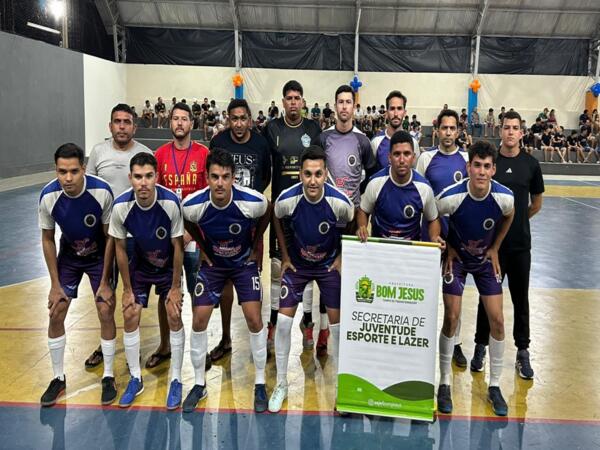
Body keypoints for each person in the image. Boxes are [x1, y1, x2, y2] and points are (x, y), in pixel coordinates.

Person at [180, 148, 271, 412]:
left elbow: (268, 211)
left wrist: (255, 245)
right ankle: (199, 383)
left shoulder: (251, 201)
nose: (220, 183)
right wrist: (204, 249)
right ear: (206, 177)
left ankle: (260, 382)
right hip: (214, 266)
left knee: (254, 318)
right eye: (215, 177)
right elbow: (187, 221)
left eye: (225, 177)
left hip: (243, 264)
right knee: (199, 319)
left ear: (234, 178)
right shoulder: (193, 205)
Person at [268, 146, 354, 413]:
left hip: (328, 266)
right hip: (298, 266)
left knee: (338, 328)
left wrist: (341, 256)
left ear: (326, 174)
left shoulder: (340, 202)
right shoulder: (287, 199)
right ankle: (281, 383)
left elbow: (352, 223)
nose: (313, 180)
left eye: (318, 174)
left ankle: (342, 388)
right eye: (307, 174)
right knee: (283, 324)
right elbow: (276, 216)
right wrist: (284, 255)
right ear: (300, 175)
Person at [436, 140, 515, 417]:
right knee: (451, 317)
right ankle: (444, 382)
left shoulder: (504, 197)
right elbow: (433, 218)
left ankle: (494, 385)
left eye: (487, 166)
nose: (481, 172)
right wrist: (447, 244)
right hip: (457, 261)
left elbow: (510, 216)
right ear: (468, 167)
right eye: (477, 166)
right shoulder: (450, 197)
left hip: (484, 262)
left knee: (498, 320)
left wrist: (495, 247)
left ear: (493, 170)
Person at [39, 143, 116, 407]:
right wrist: (54, 284)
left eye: (74, 171)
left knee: (105, 309)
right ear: (56, 170)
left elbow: (111, 238)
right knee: (56, 311)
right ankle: (58, 377)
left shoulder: (101, 191)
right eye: (62, 172)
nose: (68, 178)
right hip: (70, 257)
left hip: (99, 257)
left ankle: (108, 375)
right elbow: (47, 239)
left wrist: (105, 281)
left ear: (83, 169)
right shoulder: (48, 196)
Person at [109, 152, 185, 409]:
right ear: (130, 178)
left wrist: (175, 287)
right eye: (138, 177)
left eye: (149, 176)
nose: (143, 183)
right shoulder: (121, 206)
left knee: (174, 313)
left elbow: (178, 246)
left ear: (157, 177)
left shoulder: (170, 202)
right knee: (130, 312)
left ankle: (176, 379)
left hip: (167, 267)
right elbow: (120, 248)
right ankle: (135, 378)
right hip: (140, 267)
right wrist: (126, 289)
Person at [472, 110, 544, 381]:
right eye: (507, 127)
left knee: (520, 299)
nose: (511, 132)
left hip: (520, 246)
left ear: (521, 132)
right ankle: (481, 345)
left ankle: (522, 351)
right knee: (486, 297)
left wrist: (518, 219)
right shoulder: (493, 163)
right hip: (492, 246)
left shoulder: (531, 164)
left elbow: (536, 204)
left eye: (515, 128)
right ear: (500, 131)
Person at [85, 104, 153, 369]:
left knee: (132, 294)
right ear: (110, 126)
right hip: (105, 237)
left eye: (127, 122)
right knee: (105, 295)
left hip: (136, 237)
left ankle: (132, 346)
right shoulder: (98, 152)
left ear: (134, 127)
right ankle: (106, 345)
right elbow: (89, 191)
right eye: (117, 121)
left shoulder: (145, 154)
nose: (122, 126)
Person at [207, 99, 271, 362]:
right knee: (224, 282)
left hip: (250, 223)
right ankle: (225, 338)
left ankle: (257, 340)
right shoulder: (218, 142)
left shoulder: (261, 144)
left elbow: (265, 177)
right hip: (222, 221)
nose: (239, 123)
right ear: (228, 119)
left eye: (243, 118)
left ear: (250, 120)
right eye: (234, 118)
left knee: (251, 280)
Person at [263, 80, 322, 355]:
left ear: (303, 102)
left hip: (307, 210)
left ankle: (307, 321)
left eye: (297, 98)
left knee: (306, 264)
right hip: (281, 211)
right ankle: (273, 322)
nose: (293, 102)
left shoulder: (313, 129)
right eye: (289, 98)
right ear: (283, 102)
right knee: (278, 267)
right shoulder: (272, 129)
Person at [152, 102, 210, 370]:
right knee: (166, 293)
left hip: (194, 237)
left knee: (199, 294)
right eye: (175, 118)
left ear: (191, 124)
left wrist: (190, 231)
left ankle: (201, 348)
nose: (179, 123)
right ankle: (165, 345)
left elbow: (209, 197)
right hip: (168, 238)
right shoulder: (160, 155)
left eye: (184, 119)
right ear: (170, 122)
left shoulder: (203, 153)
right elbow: (155, 198)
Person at [416, 109, 469, 366]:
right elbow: (417, 195)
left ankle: (455, 343)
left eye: (452, 128)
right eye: (444, 128)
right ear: (437, 130)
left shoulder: (466, 160)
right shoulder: (426, 159)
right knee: (423, 291)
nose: (448, 133)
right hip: (429, 238)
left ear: (458, 131)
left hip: (456, 240)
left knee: (454, 296)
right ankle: (420, 338)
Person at [357, 130, 442, 245]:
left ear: (413, 157)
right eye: (397, 154)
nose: (402, 160)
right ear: (389, 157)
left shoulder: (424, 188)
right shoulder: (375, 183)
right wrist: (362, 226)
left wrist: (434, 237)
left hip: (411, 249)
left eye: (407, 154)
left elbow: (433, 219)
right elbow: (363, 211)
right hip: (380, 247)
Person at [371, 90, 419, 172]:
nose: (396, 114)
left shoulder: (413, 142)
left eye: (399, 108)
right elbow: (372, 174)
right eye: (392, 109)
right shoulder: (376, 142)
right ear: (386, 113)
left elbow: (414, 173)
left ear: (404, 113)